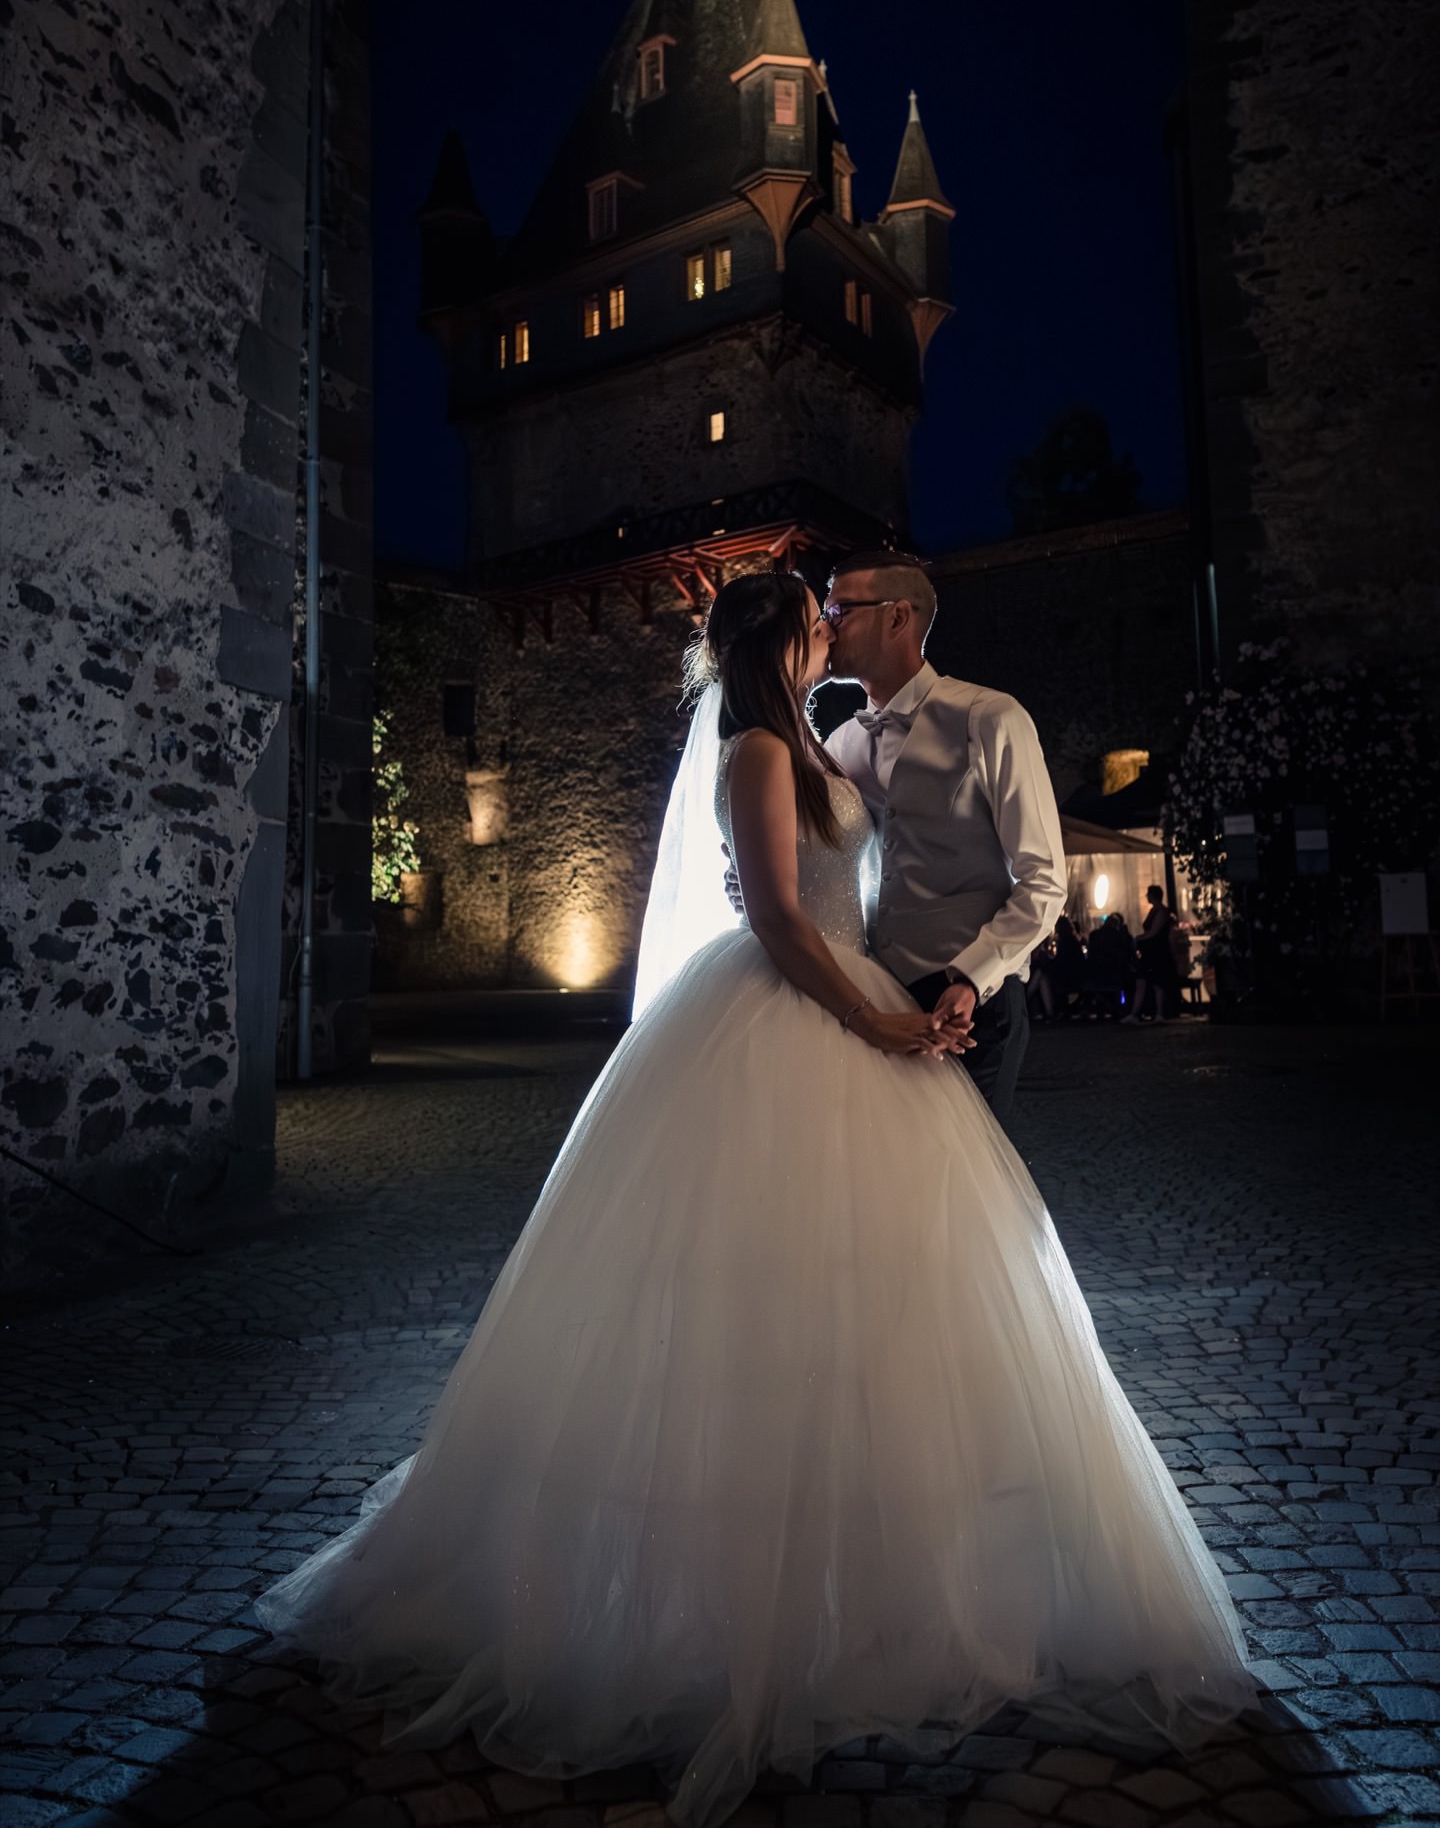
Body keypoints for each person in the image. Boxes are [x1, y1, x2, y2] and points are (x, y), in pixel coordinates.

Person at [255, 572, 1255, 1828]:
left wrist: (923, 995)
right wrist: (869, 1016)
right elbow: (781, 916)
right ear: (786, 638)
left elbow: (969, 876)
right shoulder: (765, 747)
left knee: (898, 1282)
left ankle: (890, 1552)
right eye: (815, 611)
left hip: (880, 1000)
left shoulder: (848, 734)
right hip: (806, 1011)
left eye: (851, 604)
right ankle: (765, 1582)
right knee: (769, 1281)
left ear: (902, 618)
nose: (834, 620)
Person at [820, 550, 1067, 1117]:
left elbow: (1045, 879)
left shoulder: (991, 718)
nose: (826, 624)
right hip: (876, 1003)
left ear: (897, 617)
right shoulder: (837, 746)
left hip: (972, 1004)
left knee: (969, 1181)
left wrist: (972, 978)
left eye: (839, 608)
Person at [1127, 885, 1182, 1025]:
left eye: (1148, 894)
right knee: (1145, 981)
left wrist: (1137, 939)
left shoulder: (1161, 912)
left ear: (1153, 896)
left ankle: (1156, 1013)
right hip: (1152, 951)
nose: (1146, 896)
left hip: (1157, 952)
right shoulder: (1156, 911)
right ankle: (1139, 1013)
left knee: (1155, 982)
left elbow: (1154, 932)